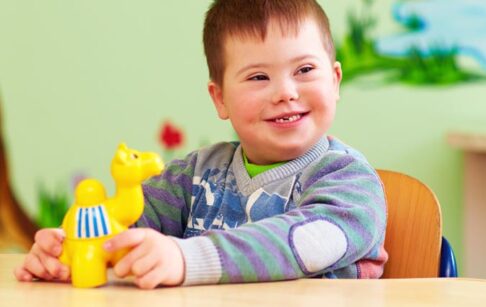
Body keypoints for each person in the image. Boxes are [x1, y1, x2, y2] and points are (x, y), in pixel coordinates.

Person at [14, 0, 387, 289]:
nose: (285, 93)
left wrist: (188, 258)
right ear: (220, 98)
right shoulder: (195, 175)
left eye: (304, 70)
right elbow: (129, 229)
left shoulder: (350, 182)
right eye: (259, 76)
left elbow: (302, 243)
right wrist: (77, 251)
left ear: (335, 80)